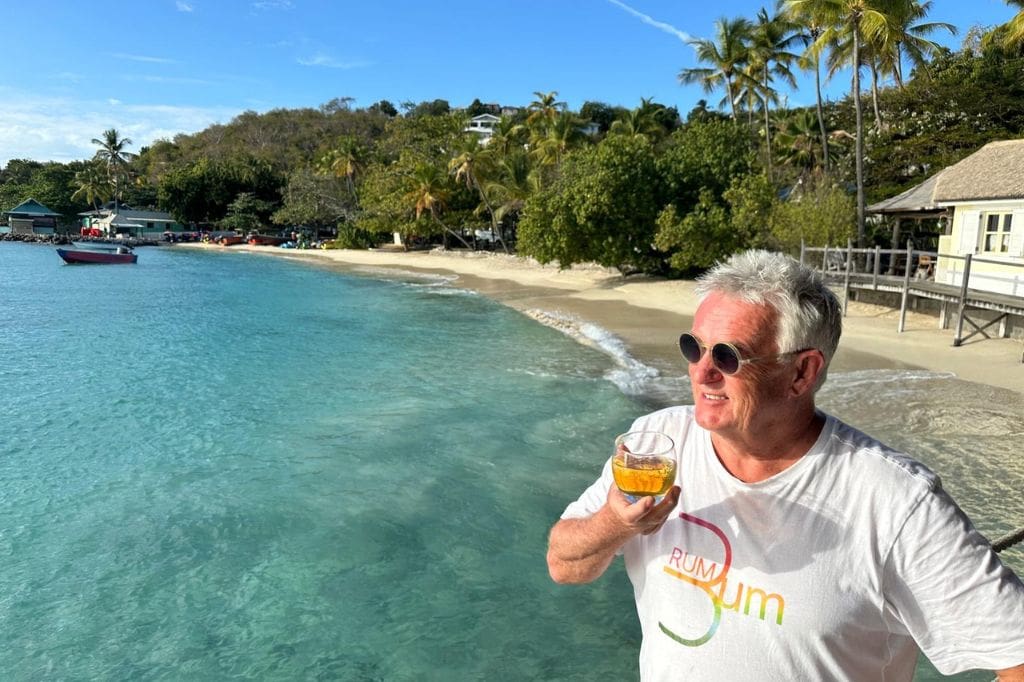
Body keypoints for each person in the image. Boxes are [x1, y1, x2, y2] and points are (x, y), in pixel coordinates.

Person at [547, 249, 1024, 681]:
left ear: (802, 372)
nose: (701, 370)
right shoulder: (658, 445)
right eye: (694, 347)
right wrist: (615, 523)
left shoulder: (895, 502)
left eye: (728, 356)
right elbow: (563, 564)